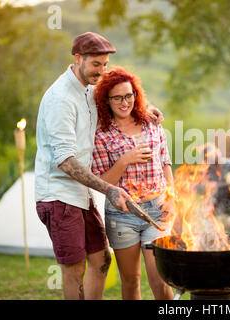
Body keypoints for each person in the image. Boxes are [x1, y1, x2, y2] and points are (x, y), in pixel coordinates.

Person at [34, 32, 163, 300]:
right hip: (58, 195)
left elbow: (120, 97)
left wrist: (145, 108)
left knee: (102, 259)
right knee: (74, 269)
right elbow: (65, 161)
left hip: (81, 194)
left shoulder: (89, 88)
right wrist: (109, 189)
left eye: (105, 64)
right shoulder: (61, 98)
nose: (101, 71)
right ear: (77, 58)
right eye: (96, 64)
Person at [91, 67, 174, 300]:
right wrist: (124, 161)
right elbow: (101, 182)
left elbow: (165, 162)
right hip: (122, 214)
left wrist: (171, 197)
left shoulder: (151, 123)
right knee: (131, 281)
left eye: (128, 95)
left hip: (157, 209)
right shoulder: (101, 134)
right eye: (117, 97)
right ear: (106, 100)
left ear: (135, 95)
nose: (124, 102)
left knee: (160, 279)